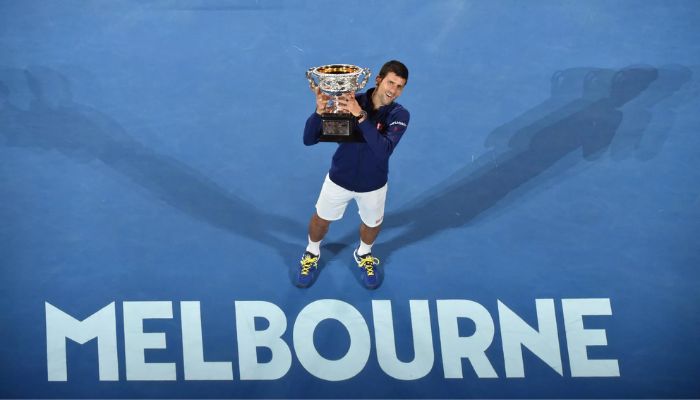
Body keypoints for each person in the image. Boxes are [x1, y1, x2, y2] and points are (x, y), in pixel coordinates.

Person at [296, 60, 410, 289]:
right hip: (340, 178)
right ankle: (312, 251)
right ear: (378, 80)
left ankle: (364, 253)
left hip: (373, 184)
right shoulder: (349, 101)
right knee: (320, 219)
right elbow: (309, 139)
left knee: (372, 224)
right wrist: (319, 114)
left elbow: (383, 151)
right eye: (390, 82)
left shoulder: (400, 115)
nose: (393, 90)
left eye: (400, 86)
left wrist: (360, 117)